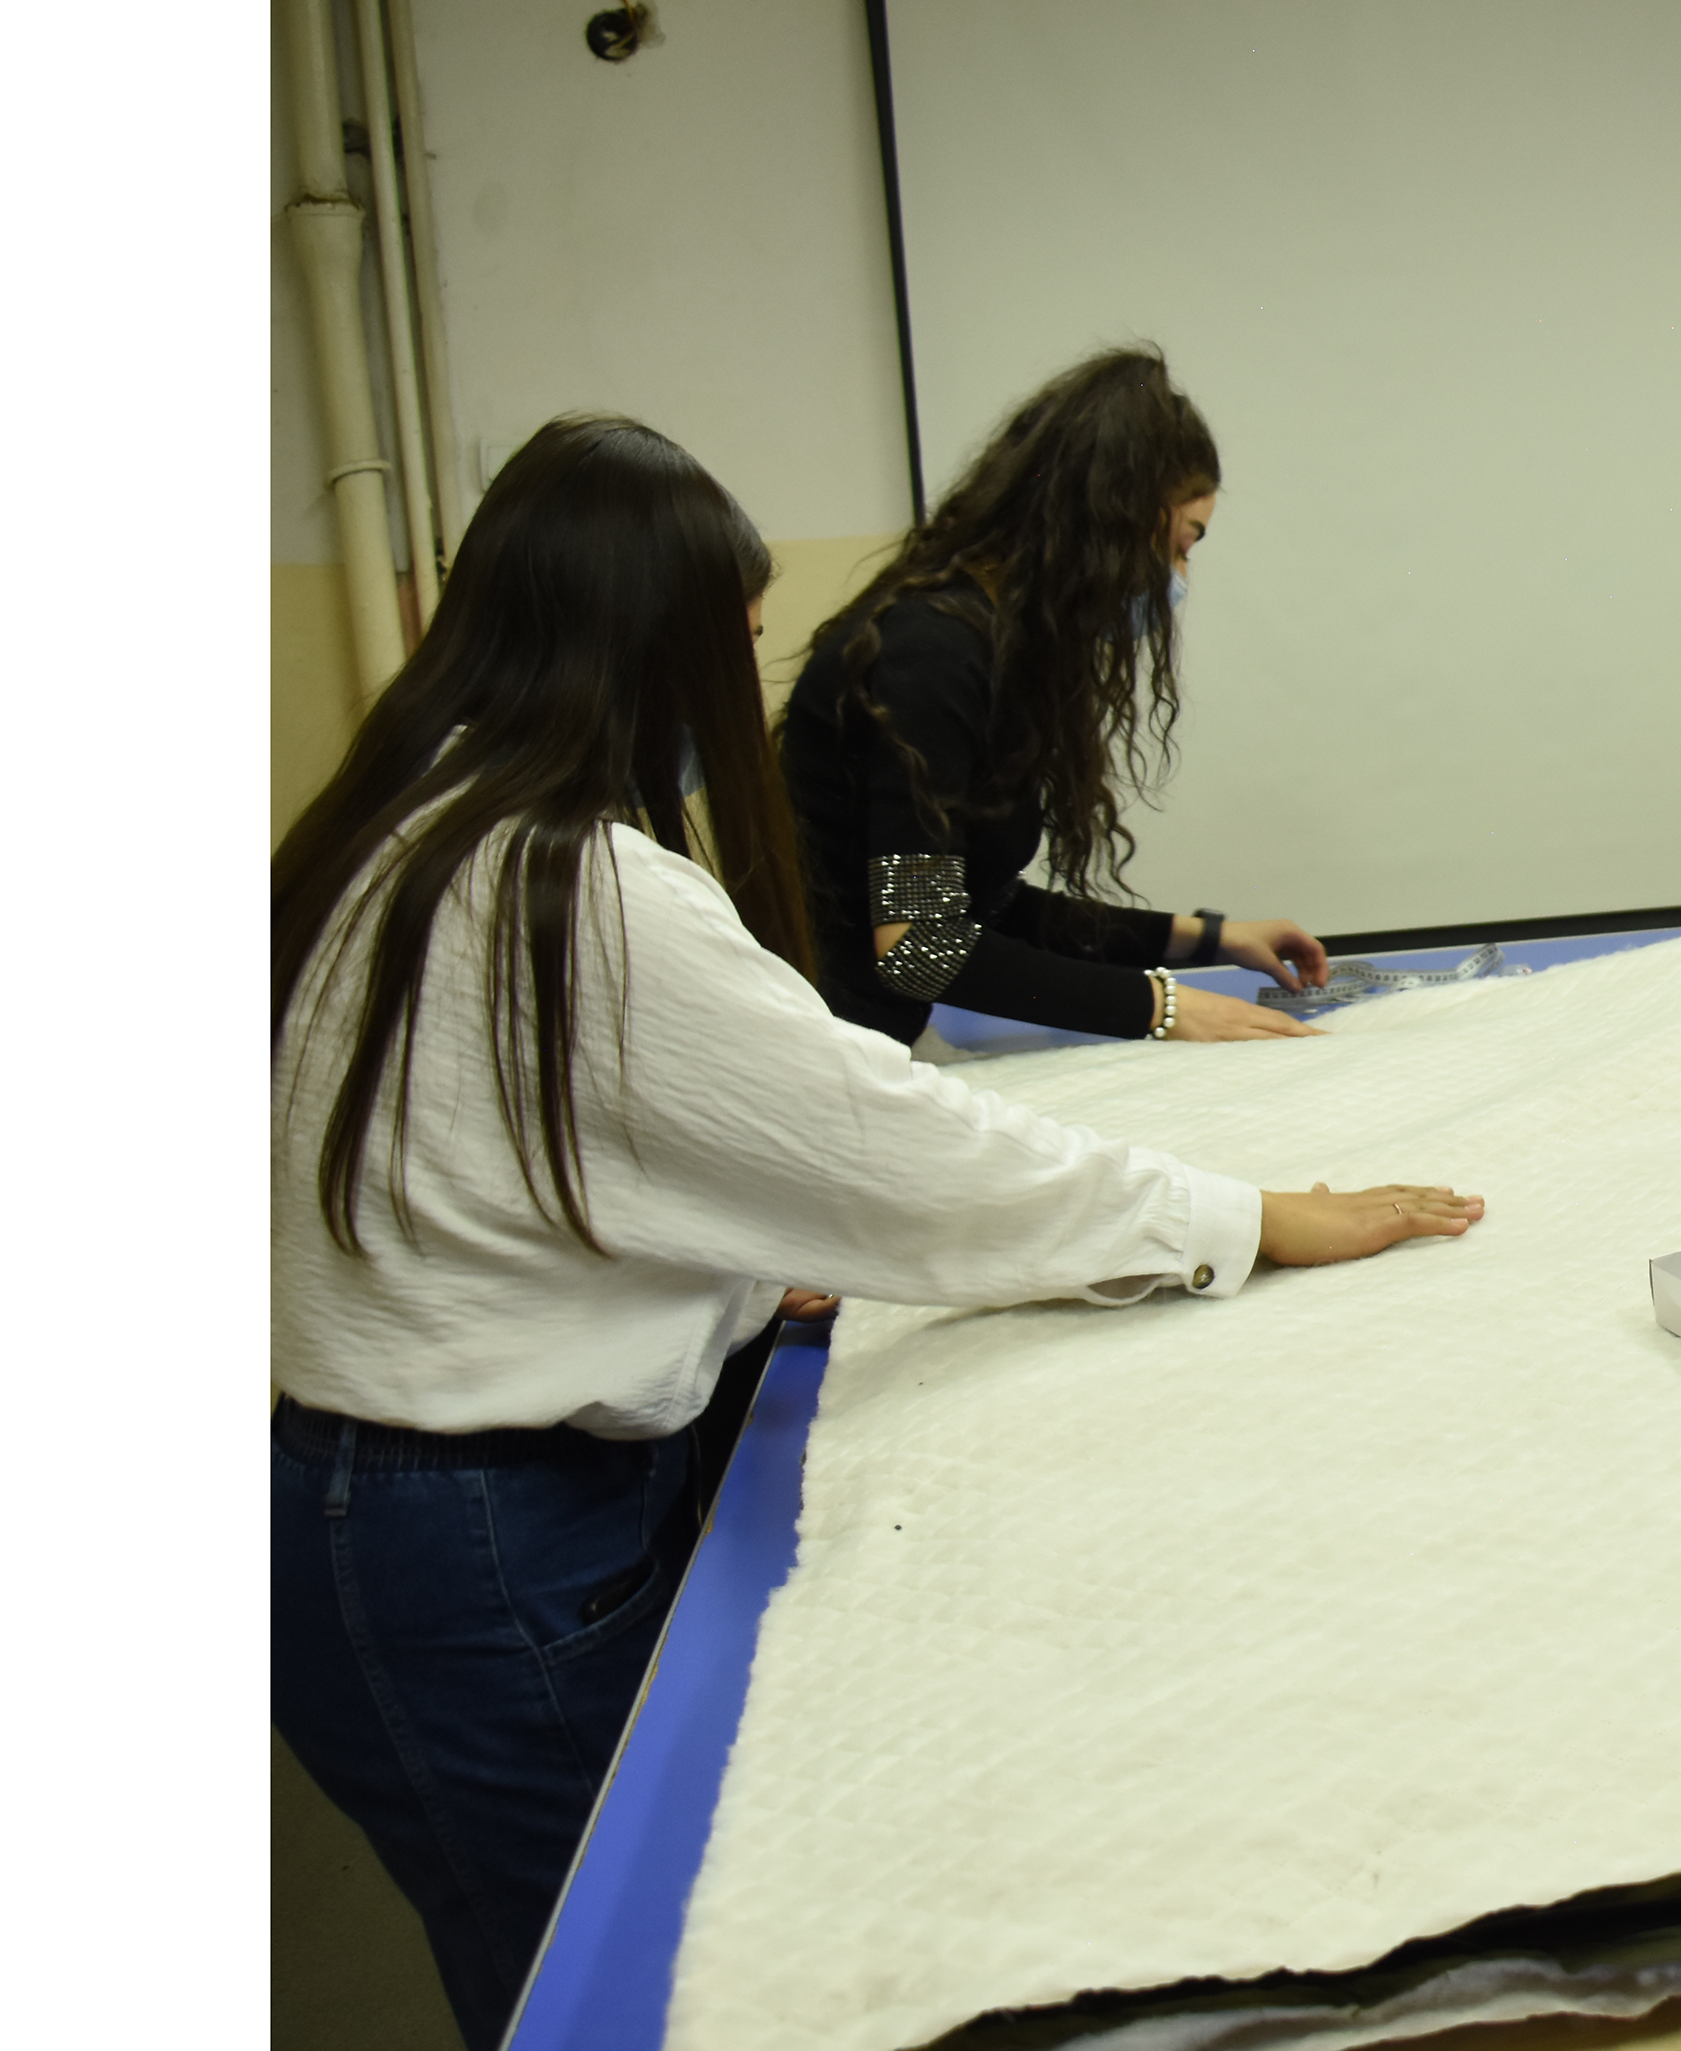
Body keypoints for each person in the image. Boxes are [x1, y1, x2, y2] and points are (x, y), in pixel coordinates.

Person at [271, 418, 1486, 2050]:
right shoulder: (694, 812)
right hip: (476, 1529)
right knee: (627, 1989)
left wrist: (1186, 944)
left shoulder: (418, 821)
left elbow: (505, 1166)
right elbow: (909, 1029)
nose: (1181, 584)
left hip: (397, 1493)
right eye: (1181, 544)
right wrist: (1241, 1200)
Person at [783, 345, 1329, 1050]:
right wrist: (1161, 1006)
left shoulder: (982, 643)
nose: (1180, 576)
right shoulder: (930, 653)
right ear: (1111, 521)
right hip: (828, 1053)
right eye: (1182, 544)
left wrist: (1205, 938)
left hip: (870, 1042)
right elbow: (919, 943)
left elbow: (983, 904)